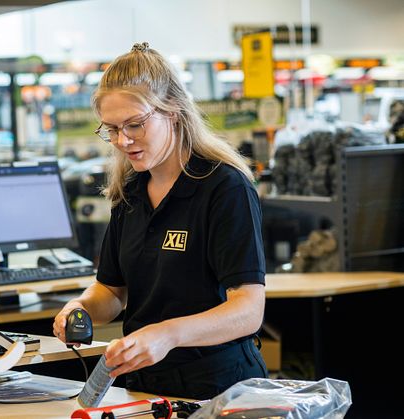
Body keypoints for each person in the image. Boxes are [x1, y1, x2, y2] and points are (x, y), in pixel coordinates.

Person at [53, 43, 268, 400]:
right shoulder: (131, 191)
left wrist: (168, 334)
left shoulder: (224, 187)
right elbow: (112, 291)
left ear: (173, 111)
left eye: (135, 125)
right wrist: (82, 307)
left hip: (217, 387)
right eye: (111, 129)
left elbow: (247, 309)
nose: (123, 140)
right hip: (143, 387)